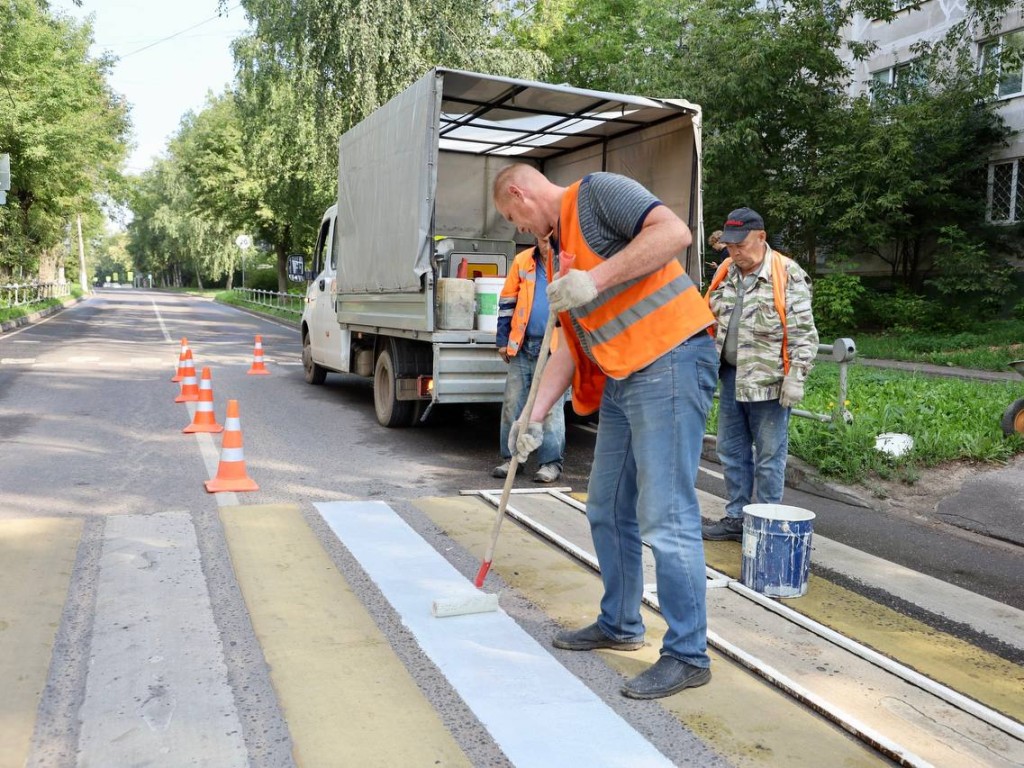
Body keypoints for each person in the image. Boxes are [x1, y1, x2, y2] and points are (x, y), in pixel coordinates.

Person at [492, 163, 718, 700]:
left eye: (510, 216)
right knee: (607, 506)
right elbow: (569, 342)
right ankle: (620, 623)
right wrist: (535, 413)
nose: (517, 227)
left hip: (671, 357)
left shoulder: (596, 195)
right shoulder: (552, 250)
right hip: (623, 372)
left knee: (666, 514)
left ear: (521, 193)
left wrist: (594, 278)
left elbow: (674, 234)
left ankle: (688, 654)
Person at [701, 208, 819, 542]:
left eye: (741, 244)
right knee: (731, 451)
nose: (734, 251)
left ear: (761, 237)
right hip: (731, 377)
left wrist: (797, 375)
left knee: (769, 456)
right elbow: (706, 316)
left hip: (769, 384)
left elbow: (803, 333)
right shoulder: (726, 271)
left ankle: (766, 521)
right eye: (730, 245)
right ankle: (737, 517)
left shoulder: (787, 273)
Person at [493, 240, 565, 483]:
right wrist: (502, 339)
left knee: (551, 410)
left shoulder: (566, 263)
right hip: (523, 344)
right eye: (541, 239)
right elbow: (507, 301)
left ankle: (550, 464)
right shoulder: (523, 260)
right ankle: (510, 459)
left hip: (553, 348)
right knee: (513, 404)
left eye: (549, 239)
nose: (545, 244)